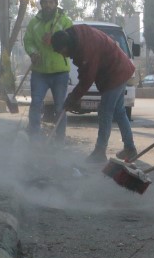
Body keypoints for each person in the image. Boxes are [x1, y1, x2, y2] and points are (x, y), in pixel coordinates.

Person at [50, 25, 137, 163]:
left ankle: (100, 152)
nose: (63, 55)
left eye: (62, 51)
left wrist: (72, 98)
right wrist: (74, 98)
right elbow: (85, 71)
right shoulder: (76, 36)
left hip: (115, 73)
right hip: (121, 68)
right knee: (119, 112)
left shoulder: (86, 47)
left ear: (67, 44)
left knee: (105, 111)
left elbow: (87, 78)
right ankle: (130, 148)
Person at [22, 0, 73, 141]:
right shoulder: (33, 23)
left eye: (51, 2)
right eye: (45, 2)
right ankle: (34, 138)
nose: (48, 5)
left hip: (60, 72)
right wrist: (32, 53)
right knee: (36, 104)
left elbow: (71, 41)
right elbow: (28, 41)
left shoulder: (65, 21)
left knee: (60, 107)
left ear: (56, 4)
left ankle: (59, 139)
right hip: (40, 72)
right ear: (41, 4)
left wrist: (55, 39)